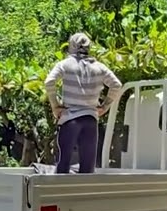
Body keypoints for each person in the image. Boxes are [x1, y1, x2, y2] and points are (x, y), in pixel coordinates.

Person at [44, 32, 122, 174]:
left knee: (63, 165)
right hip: (91, 120)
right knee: (87, 168)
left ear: (71, 45)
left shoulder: (65, 64)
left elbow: (49, 82)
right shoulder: (99, 67)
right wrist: (104, 106)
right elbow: (116, 84)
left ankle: (61, 194)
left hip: (70, 119)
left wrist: (55, 106)